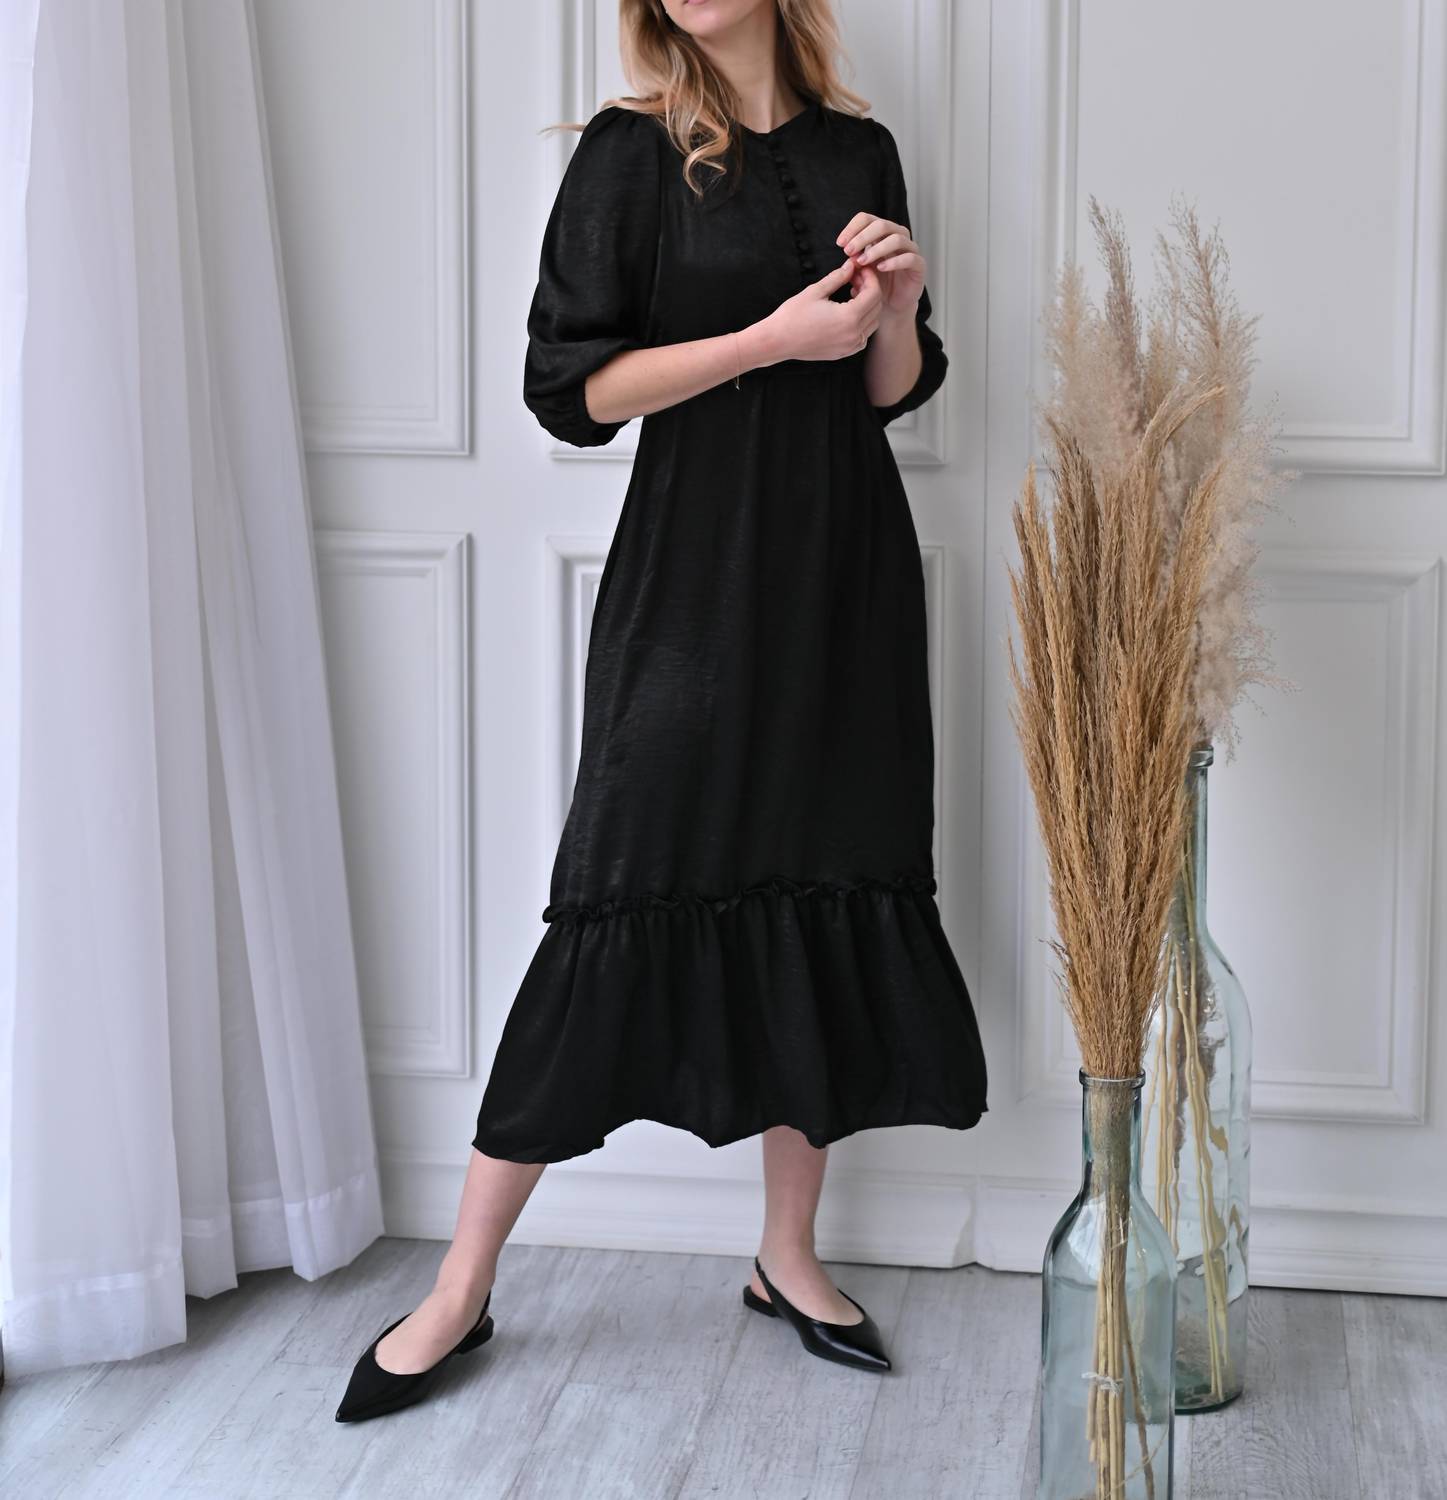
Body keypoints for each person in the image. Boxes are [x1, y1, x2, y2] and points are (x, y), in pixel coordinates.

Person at [335, 0, 987, 1425]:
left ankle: (785, 1255)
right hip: (694, 569)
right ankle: (461, 1284)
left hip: (845, 579)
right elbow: (571, 390)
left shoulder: (863, 148)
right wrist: (767, 338)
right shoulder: (630, 155)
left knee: (827, 871)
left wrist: (892, 306)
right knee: (616, 882)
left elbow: (890, 390)